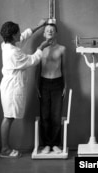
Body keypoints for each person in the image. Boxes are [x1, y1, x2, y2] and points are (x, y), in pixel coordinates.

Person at [0, 20, 52, 158]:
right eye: (17, 32)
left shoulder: (6, 44)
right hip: (11, 88)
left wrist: (39, 25)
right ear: (12, 36)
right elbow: (32, 60)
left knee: (8, 117)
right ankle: (5, 149)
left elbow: (24, 36)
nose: (20, 34)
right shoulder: (13, 53)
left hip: (9, 85)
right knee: (8, 118)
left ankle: (5, 148)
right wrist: (41, 46)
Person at [35, 23, 66, 154]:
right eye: (47, 30)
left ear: (56, 33)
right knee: (45, 115)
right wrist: (36, 85)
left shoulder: (62, 49)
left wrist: (66, 85)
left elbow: (65, 69)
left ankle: (55, 144)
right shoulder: (40, 49)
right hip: (44, 83)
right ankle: (47, 144)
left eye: (52, 30)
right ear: (44, 33)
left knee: (56, 115)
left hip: (58, 83)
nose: (50, 32)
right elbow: (37, 69)